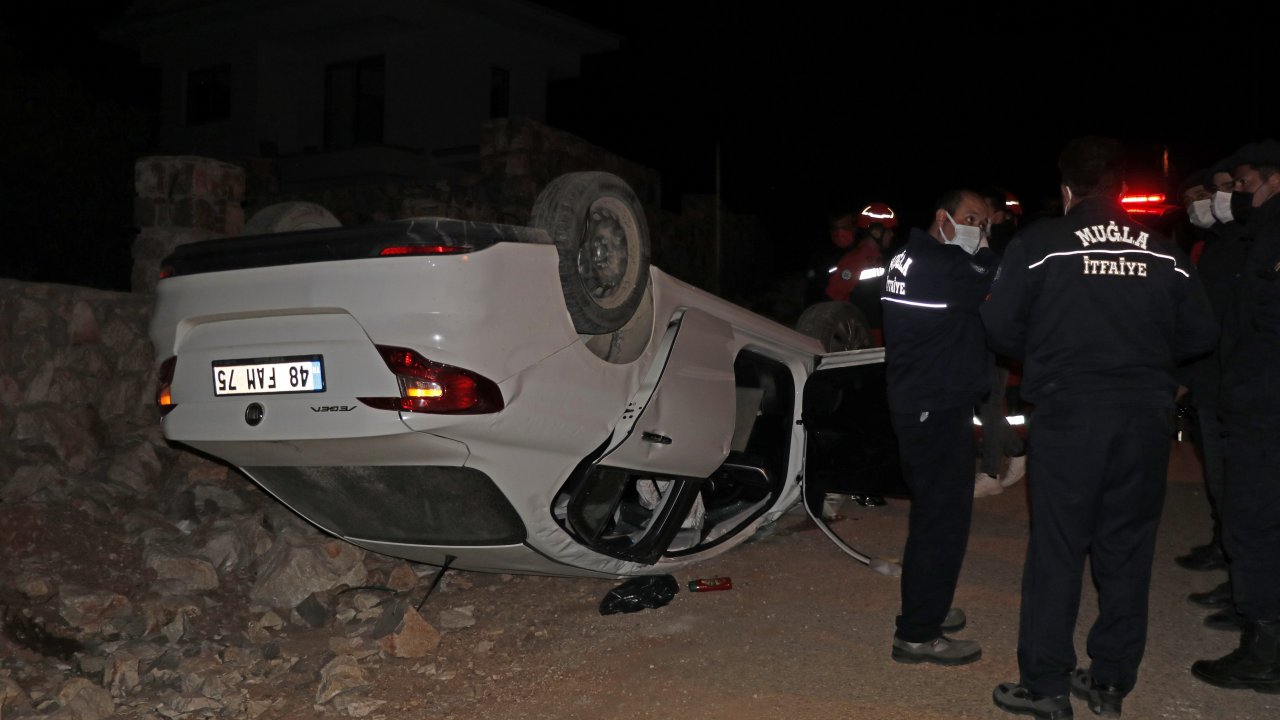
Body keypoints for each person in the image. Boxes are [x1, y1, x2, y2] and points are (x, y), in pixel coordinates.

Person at [981, 136, 1217, 718]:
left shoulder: (1040, 244)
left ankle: (1047, 687)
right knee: (1128, 549)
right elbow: (1202, 336)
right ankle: (1110, 683)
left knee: (1058, 549)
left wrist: (1050, 350)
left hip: (1069, 415)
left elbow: (1001, 327)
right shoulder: (1164, 253)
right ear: (1118, 189)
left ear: (1066, 190)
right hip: (1143, 420)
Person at [880, 188, 998, 665]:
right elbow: (997, 279)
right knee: (942, 521)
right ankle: (918, 632)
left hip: (922, 401)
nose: (979, 230)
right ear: (942, 217)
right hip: (934, 406)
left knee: (933, 513)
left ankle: (928, 604)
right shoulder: (942, 267)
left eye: (986, 223)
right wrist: (988, 251)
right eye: (972, 219)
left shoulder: (909, 257)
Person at [1192, 138, 1280, 693]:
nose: (1237, 195)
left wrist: (1243, 391)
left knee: (1255, 517)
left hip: (1263, 403)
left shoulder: (1271, 238)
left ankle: (1265, 650)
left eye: (1244, 184)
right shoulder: (1260, 234)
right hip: (1252, 395)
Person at [974, 186, 1028, 499]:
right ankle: (1014, 447)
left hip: (997, 335)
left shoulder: (1007, 246)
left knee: (989, 398)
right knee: (983, 397)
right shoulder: (999, 242)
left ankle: (990, 471)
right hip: (988, 332)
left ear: (997, 213)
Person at [824, 202, 898, 346]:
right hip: (860, 339)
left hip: (876, 334)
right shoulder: (854, 260)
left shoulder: (880, 258)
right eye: (889, 230)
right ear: (876, 232)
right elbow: (832, 299)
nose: (892, 234)